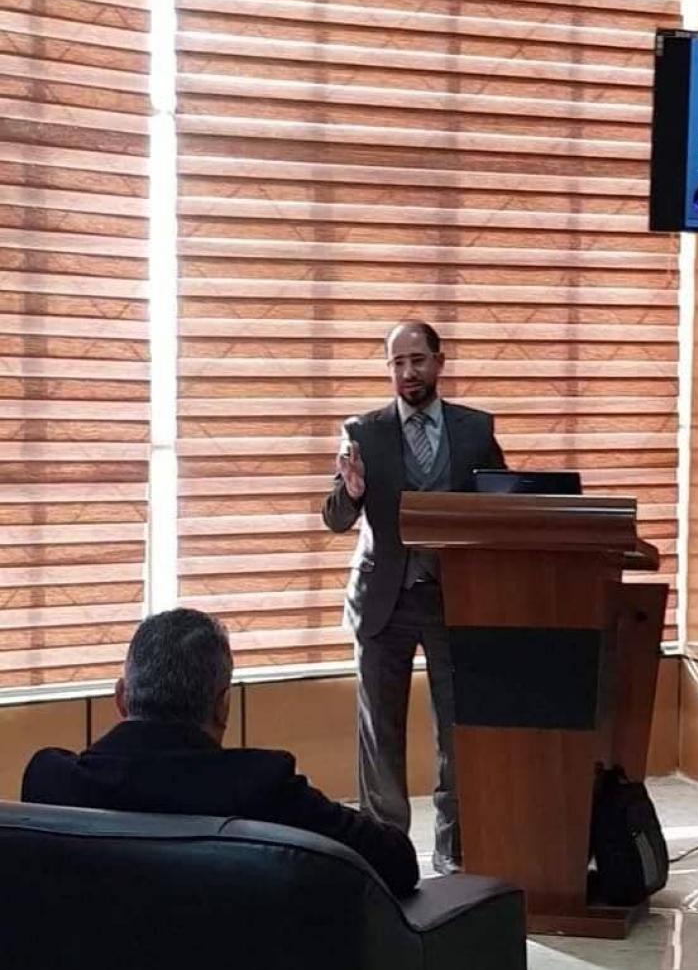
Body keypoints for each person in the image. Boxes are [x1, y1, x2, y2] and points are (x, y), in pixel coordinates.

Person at [21, 607, 419, 900]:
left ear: (122, 698)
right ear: (223, 706)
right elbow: (397, 863)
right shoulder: (264, 787)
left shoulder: (49, 783)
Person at [322, 319, 505, 874]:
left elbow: (503, 503)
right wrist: (351, 490)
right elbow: (335, 518)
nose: (407, 372)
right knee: (380, 733)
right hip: (384, 599)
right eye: (397, 363)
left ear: (439, 362)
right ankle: (386, 856)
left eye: (417, 360)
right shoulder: (364, 431)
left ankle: (455, 853)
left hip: (454, 598)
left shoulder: (475, 430)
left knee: (458, 731)